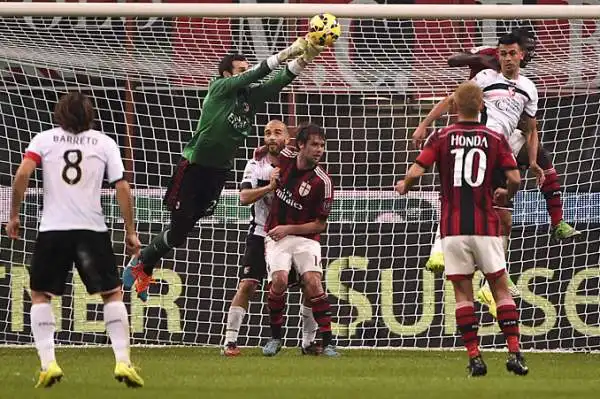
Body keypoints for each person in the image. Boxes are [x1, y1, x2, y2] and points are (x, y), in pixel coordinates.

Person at [122, 38, 325, 301]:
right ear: (227, 74)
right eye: (241, 70)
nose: (246, 73)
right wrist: (289, 50)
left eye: (246, 68)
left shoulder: (250, 98)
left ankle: (144, 262)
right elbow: (259, 73)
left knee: (182, 231)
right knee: (179, 227)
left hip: (218, 173)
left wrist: (306, 56)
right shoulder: (218, 88)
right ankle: (142, 262)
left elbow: (278, 81)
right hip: (194, 167)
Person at [5, 92, 144, 388]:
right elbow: (122, 186)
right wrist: (130, 230)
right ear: (89, 115)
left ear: (59, 115)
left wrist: (14, 214)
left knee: (41, 295)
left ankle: (49, 364)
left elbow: (22, 174)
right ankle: (122, 361)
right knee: (112, 294)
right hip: (92, 229)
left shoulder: (43, 140)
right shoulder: (104, 142)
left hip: (53, 229)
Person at [419, 28, 579, 275]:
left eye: (512, 53)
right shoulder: (485, 74)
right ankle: (439, 250)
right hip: (478, 143)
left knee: (505, 215)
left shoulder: (528, 87)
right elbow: (453, 94)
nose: (508, 58)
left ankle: (555, 224)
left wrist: (533, 161)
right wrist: (424, 124)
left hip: (504, 146)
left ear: (521, 55)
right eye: (503, 53)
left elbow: (530, 128)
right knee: (462, 198)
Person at [396, 81, 528, 377]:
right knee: (500, 289)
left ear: (454, 106)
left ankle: (475, 357)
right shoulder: (495, 137)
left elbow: (416, 172)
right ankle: (515, 353)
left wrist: (405, 186)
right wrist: (506, 194)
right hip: (486, 226)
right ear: (482, 106)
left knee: (463, 295)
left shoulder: (441, 136)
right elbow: (516, 179)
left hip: (453, 229)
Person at [222, 120, 320, 357]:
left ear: (287, 139)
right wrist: (270, 187)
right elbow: (244, 197)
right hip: (260, 233)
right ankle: (230, 341)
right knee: (247, 285)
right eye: (267, 133)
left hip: (289, 235)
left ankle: (308, 342)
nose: (271, 137)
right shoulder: (256, 165)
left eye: (277, 133)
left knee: (311, 286)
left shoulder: (296, 164)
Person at [260, 123, 338, 357]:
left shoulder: (322, 182)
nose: (319, 150)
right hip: (276, 235)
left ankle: (328, 343)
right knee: (280, 281)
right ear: (300, 145)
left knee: (313, 282)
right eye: (314, 144)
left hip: (306, 237)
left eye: (322, 146)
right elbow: (266, 149)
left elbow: (320, 225)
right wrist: (271, 173)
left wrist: (288, 228)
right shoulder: (285, 157)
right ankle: (275, 338)